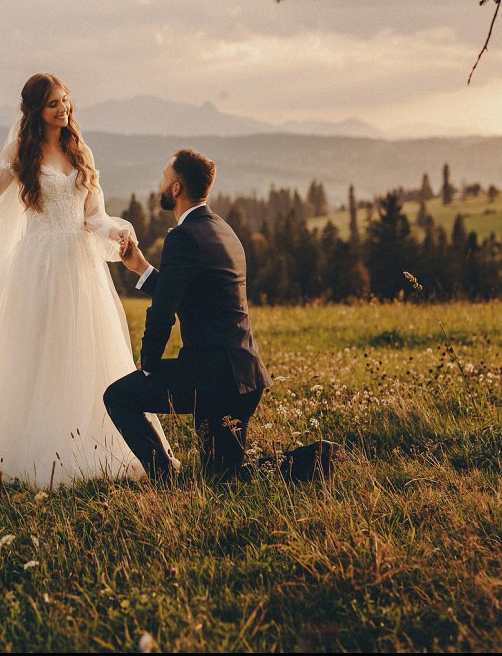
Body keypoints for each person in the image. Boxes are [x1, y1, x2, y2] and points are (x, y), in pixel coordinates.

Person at [0, 73, 174, 489]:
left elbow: (93, 217)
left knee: (85, 351)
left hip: (81, 267)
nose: (63, 109)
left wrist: (117, 232)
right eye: (53, 104)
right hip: (38, 266)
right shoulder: (21, 152)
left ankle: (104, 443)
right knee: (40, 354)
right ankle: (35, 450)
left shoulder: (79, 150)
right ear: (35, 110)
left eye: (65, 101)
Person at [104, 149, 334, 484]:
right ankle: (316, 459)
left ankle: (165, 479)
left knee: (118, 396)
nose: (161, 183)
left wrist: (150, 364)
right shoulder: (221, 229)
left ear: (177, 189)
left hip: (212, 380)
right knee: (225, 474)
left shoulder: (183, 237)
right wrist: (140, 266)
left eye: (165, 177)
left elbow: (163, 312)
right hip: (244, 376)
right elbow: (192, 296)